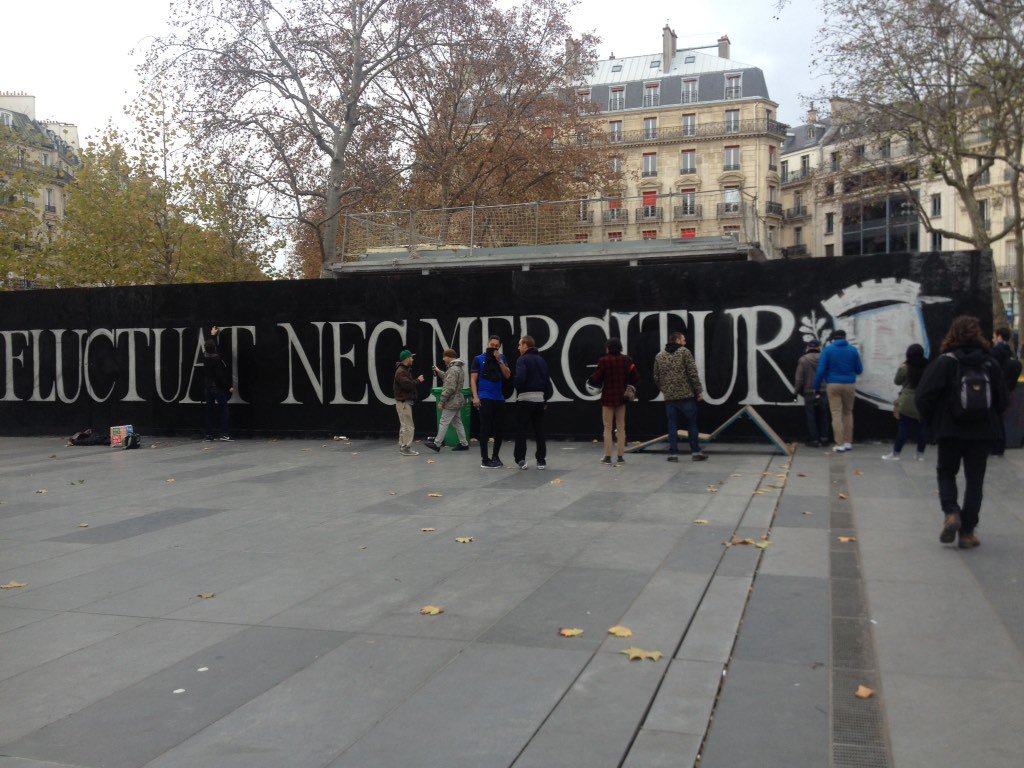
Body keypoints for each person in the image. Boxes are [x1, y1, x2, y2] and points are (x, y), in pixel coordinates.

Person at [916, 315, 1008, 548]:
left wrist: (935, 420)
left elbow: (923, 396)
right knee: (975, 481)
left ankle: (951, 513)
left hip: (950, 430)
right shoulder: (989, 363)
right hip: (982, 432)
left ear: (953, 334)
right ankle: (967, 533)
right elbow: (1003, 399)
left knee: (946, 472)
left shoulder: (946, 362)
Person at [653, 331, 708, 462]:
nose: (685, 341)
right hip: (686, 396)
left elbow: (656, 377)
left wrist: (665, 390)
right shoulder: (684, 352)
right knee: (691, 424)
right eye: (683, 339)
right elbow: (692, 373)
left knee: (672, 425)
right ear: (677, 340)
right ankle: (695, 452)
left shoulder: (660, 356)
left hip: (670, 398)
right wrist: (699, 391)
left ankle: (673, 455)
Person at [589, 337, 639, 465]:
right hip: (622, 398)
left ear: (608, 347)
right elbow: (636, 377)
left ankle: (607, 456)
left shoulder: (604, 361)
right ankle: (621, 457)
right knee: (621, 427)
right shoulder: (627, 360)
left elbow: (595, 379)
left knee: (607, 427)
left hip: (608, 398)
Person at [813, 329, 864, 453]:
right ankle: (848, 442)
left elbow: (821, 371)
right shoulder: (852, 350)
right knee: (848, 413)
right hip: (849, 384)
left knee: (836, 413)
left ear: (833, 339)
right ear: (845, 338)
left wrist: (816, 386)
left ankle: (839, 444)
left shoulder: (828, 350)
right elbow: (859, 370)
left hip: (833, 385)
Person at [882, 344, 929, 461]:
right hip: (923, 401)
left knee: (903, 427)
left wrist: (901, 367)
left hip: (907, 401)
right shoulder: (928, 366)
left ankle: (896, 454)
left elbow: (897, 381)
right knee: (923, 427)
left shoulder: (905, 367)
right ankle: (920, 455)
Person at [513, 335, 554, 470]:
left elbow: (520, 379)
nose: (518, 347)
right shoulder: (541, 360)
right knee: (539, 431)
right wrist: (545, 399)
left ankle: (521, 459)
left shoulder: (522, 360)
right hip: (540, 399)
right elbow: (547, 381)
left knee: (521, 430)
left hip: (525, 399)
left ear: (525, 345)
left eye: (520, 345)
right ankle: (541, 460)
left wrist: (518, 387)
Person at [471, 335, 511, 468]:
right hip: (484, 396)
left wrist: (500, 361)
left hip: (498, 397)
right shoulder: (478, 359)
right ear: (487, 344)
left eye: (496, 345)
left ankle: (496, 456)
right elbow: (473, 379)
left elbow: (507, 375)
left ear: (499, 347)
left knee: (499, 428)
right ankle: (485, 459)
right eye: (491, 344)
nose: (493, 347)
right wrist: (475, 397)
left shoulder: (502, 358)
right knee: (485, 428)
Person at [424, 350, 470, 453]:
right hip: (458, 400)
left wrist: (441, 401)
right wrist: (438, 371)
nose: (443, 359)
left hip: (452, 401)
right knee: (458, 423)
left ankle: (437, 444)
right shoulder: (457, 368)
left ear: (449, 357)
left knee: (444, 421)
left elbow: (449, 388)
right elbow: (447, 378)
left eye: (444, 357)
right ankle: (464, 444)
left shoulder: (452, 370)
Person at [989, 326, 1021, 456]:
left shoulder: (996, 351)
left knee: (994, 419)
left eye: (994, 336)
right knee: (999, 419)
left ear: (999, 337)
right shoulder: (1009, 351)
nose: (993, 339)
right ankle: (999, 447)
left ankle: (995, 447)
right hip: (1006, 390)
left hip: (996, 390)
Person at [793, 339, 829, 447]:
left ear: (808, 347)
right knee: (825, 415)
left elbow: (799, 379)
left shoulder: (803, 360)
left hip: (809, 391)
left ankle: (814, 440)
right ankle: (825, 438)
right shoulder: (825, 358)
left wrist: (795, 392)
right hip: (824, 391)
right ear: (819, 347)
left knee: (811, 416)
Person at [203, 326, 235, 441]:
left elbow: (210, 346)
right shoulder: (217, 359)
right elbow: (219, 376)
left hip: (208, 388)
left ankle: (208, 435)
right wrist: (229, 387)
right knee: (224, 410)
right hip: (217, 388)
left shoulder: (205, 357)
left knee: (209, 411)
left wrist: (212, 335)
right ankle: (224, 433)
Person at [394, 349, 425, 456]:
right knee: (408, 426)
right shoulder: (401, 371)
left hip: (402, 402)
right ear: (407, 359)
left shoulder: (403, 370)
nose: (412, 359)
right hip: (403, 403)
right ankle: (406, 448)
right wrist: (418, 380)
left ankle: (403, 446)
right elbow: (407, 385)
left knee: (404, 425)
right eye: (411, 357)